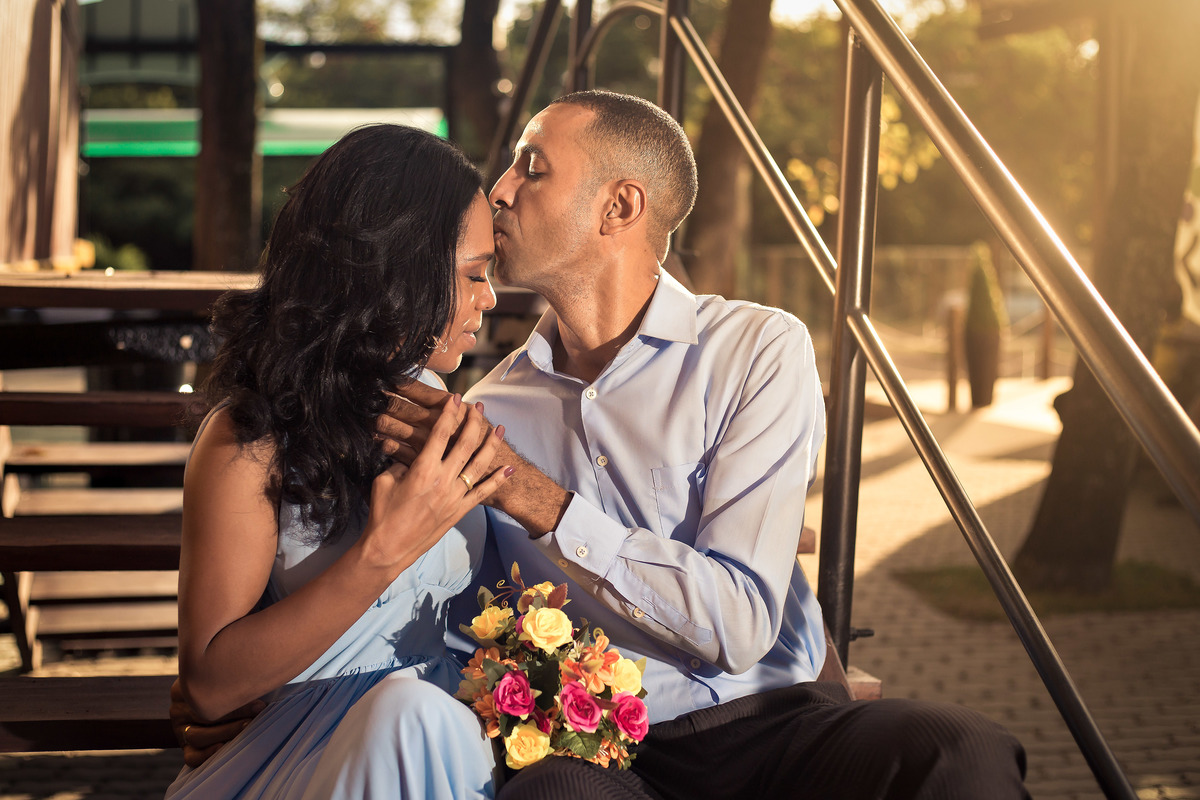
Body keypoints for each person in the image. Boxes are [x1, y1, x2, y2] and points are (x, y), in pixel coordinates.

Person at [387, 90, 1030, 799]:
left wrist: (534, 496)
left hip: (780, 727)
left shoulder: (757, 350)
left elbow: (740, 622)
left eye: (531, 167)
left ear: (619, 208)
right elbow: (459, 616)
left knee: (958, 749)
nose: (499, 191)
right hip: (607, 753)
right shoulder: (488, 412)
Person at [164, 123, 512, 800]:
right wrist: (385, 549)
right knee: (405, 720)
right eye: (472, 274)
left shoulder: (441, 409)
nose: (489, 298)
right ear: (398, 270)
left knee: (417, 719)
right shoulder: (249, 438)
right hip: (299, 751)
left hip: (445, 739)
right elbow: (208, 687)